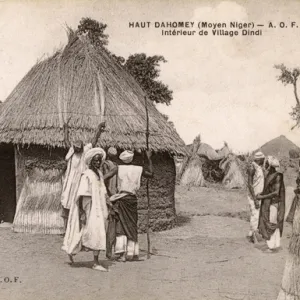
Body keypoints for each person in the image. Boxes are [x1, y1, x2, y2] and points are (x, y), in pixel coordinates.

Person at [62, 148, 109, 272]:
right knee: (87, 231)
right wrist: (82, 212)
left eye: (99, 161)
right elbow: (82, 194)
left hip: (100, 207)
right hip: (90, 208)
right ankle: (93, 261)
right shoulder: (87, 175)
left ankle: (76, 251)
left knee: (94, 232)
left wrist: (108, 204)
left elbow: (103, 191)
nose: (98, 163)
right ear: (90, 161)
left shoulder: (99, 174)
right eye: (95, 161)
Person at [104, 149, 153, 262]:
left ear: (121, 159)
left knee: (121, 226)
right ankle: (132, 253)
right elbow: (151, 174)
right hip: (131, 200)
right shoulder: (139, 169)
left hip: (121, 199)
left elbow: (104, 177)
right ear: (132, 158)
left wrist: (105, 190)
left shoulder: (118, 168)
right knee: (131, 225)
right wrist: (149, 158)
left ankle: (121, 254)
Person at [60, 121, 106, 231]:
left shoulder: (85, 150)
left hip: (80, 181)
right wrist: (66, 129)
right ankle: (66, 229)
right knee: (66, 203)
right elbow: (66, 141)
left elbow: (94, 141)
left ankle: (80, 228)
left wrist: (99, 130)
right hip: (69, 182)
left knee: (80, 204)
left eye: (78, 148)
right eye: (76, 148)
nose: (77, 150)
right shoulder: (71, 151)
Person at [257, 156, 285, 252]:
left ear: (270, 166)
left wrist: (262, 197)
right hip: (268, 202)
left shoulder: (278, 176)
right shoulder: (269, 174)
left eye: (266, 164)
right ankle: (272, 244)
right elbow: (267, 189)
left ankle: (271, 246)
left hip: (273, 203)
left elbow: (276, 192)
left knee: (271, 223)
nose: (265, 165)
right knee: (269, 222)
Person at [102, 147, 119, 259]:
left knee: (112, 224)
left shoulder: (108, 165)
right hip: (112, 196)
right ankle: (109, 250)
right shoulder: (110, 166)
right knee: (112, 224)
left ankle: (110, 250)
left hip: (112, 196)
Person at [247, 151, 265, 243]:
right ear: (259, 159)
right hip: (254, 196)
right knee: (256, 216)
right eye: (262, 159)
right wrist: (255, 199)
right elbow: (250, 184)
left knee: (255, 215)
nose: (264, 160)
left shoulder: (259, 168)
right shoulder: (252, 168)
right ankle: (253, 237)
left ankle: (250, 235)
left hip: (259, 196)